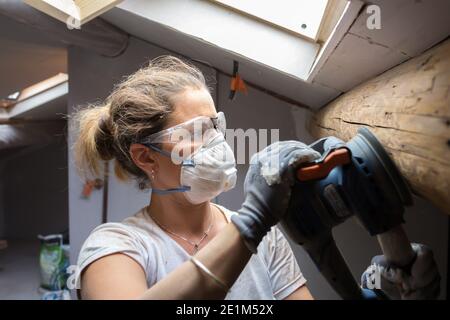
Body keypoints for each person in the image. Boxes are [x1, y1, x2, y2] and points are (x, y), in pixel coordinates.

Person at [73, 55, 319, 300]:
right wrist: (253, 220)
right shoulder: (115, 246)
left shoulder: (266, 237)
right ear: (146, 157)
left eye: (215, 126)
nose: (217, 141)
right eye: (197, 131)